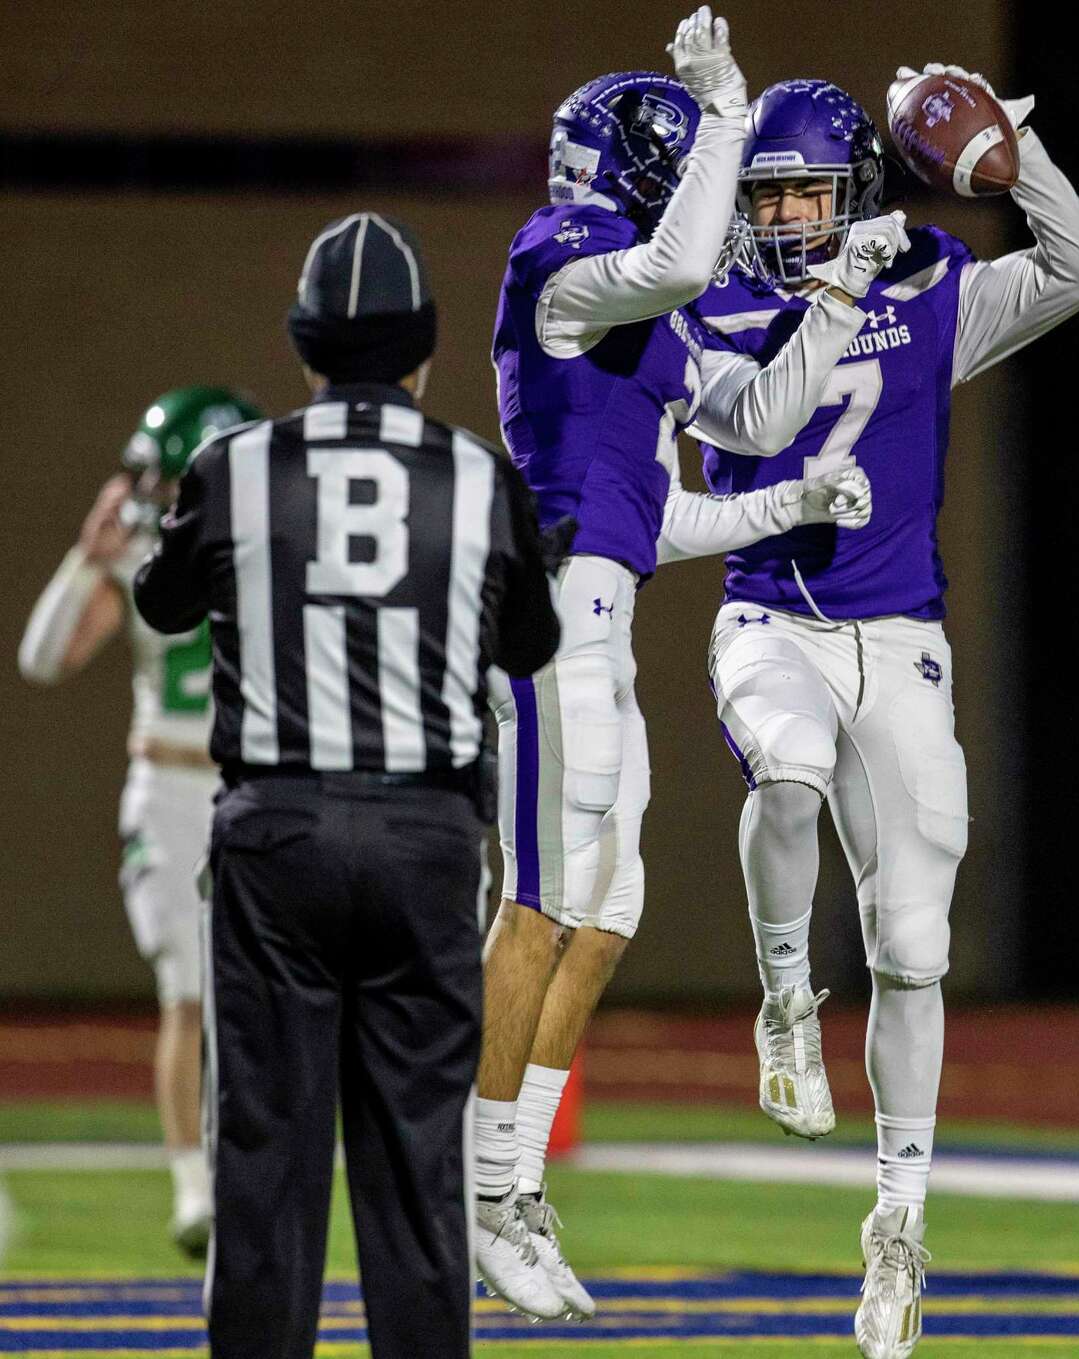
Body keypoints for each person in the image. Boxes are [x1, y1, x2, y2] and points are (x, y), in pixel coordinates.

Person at [477, 6, 909, 1322]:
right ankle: (479, 1185)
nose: (721, 212)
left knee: (612, 911)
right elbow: (672, 258)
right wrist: (725, 107)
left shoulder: (637, 315)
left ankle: (515, 1182)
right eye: (695, 170)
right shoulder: (558, 264)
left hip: (602, 611)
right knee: (543, 901)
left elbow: (744, 430)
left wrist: (830, 319)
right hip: (552, 616)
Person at [686, 69, 1079, 1359]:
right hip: (772, 620)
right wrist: (830, 295)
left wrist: (1009, 153)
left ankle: (898, 1227)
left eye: (810, 189)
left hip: (901, 637)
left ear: (859, 187)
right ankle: (781, 1001)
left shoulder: (929, 289)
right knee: (784, 780)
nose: (789, 214)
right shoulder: (713, 300)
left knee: (917, 949)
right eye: (768, 196)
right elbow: (755, 418)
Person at [133, 212, 560, 1359]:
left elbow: (161, 603)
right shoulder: (477, 475)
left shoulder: (234, 467)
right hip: (425, 837)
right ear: (422, 352)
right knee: (418, 1173)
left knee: (263, 1164)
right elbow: (530, 643)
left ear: (305, 348)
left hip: (277, 833)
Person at [18, 386, 262, 1256]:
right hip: (168, 785)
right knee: (188, 991)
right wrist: (88, 559)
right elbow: (43, 658)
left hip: (251, 790)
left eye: (165, 475)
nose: (151, 492)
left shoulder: (268, 551)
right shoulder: (145, 558)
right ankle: (194, 1188)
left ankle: (252, 1172)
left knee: (258, 1000)